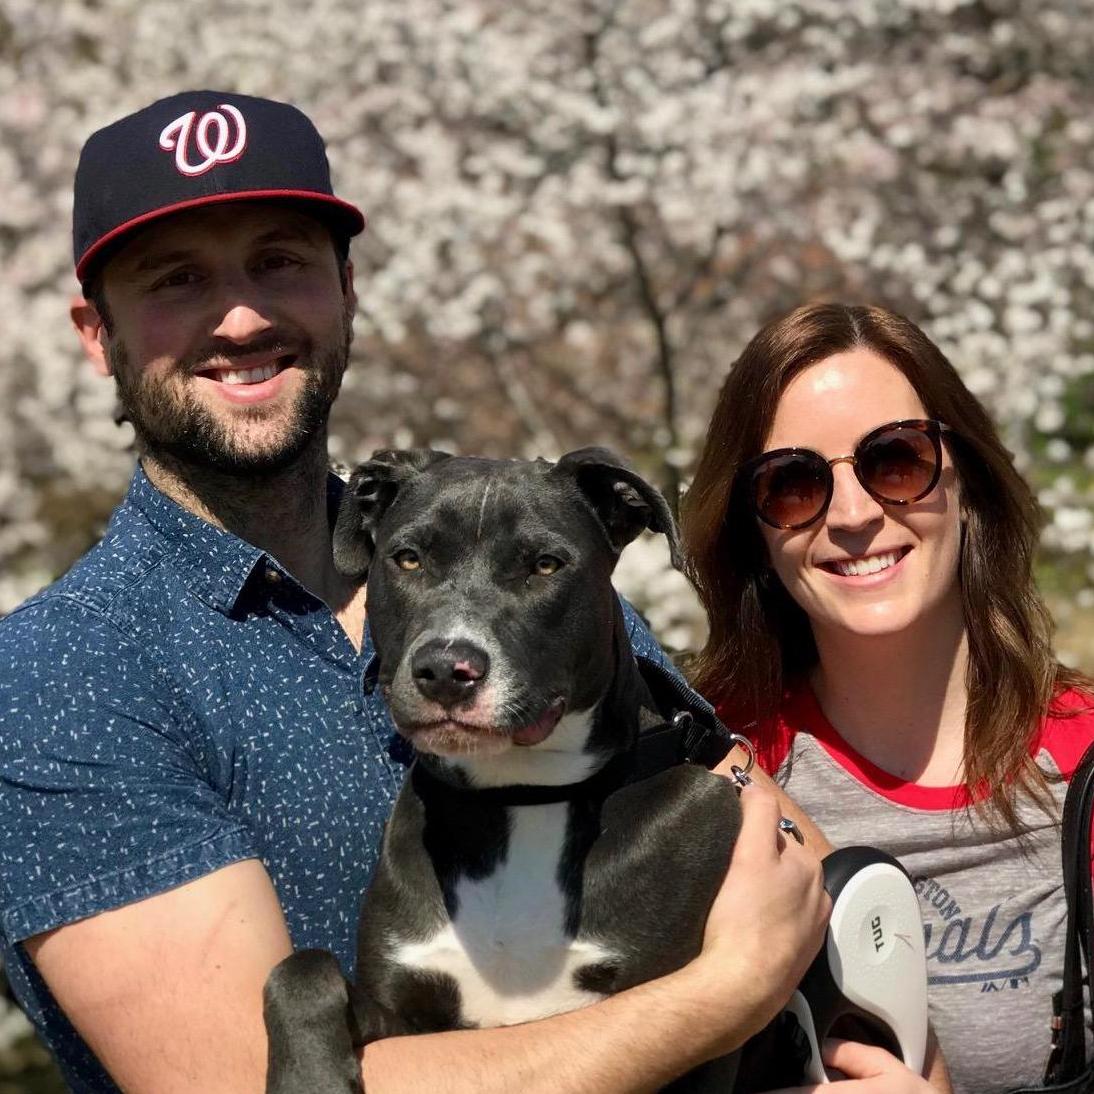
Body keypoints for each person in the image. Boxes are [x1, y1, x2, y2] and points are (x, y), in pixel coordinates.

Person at [0, 90, 833, 1094]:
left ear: (345, 289)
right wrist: (722, 991)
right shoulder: (61, 676)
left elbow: (762, 832)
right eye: (176, 280)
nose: (241, 314)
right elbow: (231, 1079)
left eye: (279, 261)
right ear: (98, 334)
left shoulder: (517, 540)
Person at [681, 301, 1094, 1094]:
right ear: (755, 533)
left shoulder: (1087, 767)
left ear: (966, 482)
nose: (855, 514)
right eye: (794, 484)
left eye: (897, 459)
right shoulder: (711, 775)